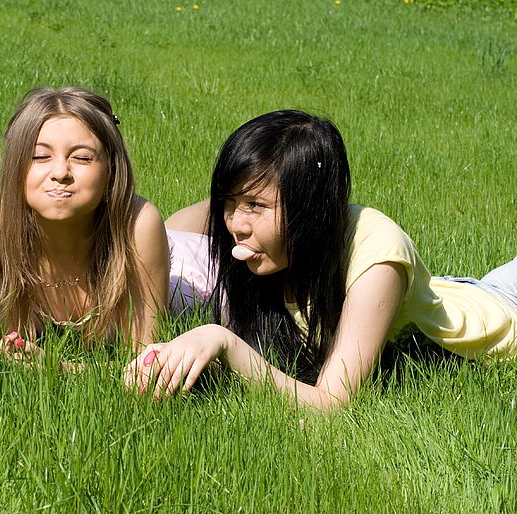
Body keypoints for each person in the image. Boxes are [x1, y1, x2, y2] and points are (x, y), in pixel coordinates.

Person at [126, 109, 517, 411]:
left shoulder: (378, 254)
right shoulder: (267, 241)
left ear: (310, 207)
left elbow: (331, 405)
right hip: (455, 291)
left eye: (255, 205)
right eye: (231, 203)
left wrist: (221, 342)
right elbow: (177, 227)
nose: (236, 225)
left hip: (503, 318)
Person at [0, 86, 169, 358]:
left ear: (111, 170)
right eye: (40, 156)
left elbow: (146, 360)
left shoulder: (139, 226)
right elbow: (12, 348)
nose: (60, 172)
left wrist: (60, 369)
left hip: (183, 262)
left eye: (81, 158)